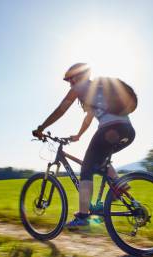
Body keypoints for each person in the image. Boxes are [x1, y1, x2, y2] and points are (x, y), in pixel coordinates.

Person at [34, 63, 135, 229]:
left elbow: (61, 109)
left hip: (110, 129)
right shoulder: (97, 89)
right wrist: (79, 135)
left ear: (78, 76)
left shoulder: (81, 87)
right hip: (128, 131)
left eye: (70, 80)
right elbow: (89, 117)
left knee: (87, 168)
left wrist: (41, 128)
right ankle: (118, 187)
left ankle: (83, 217)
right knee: (100, 161)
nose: (70, 84)